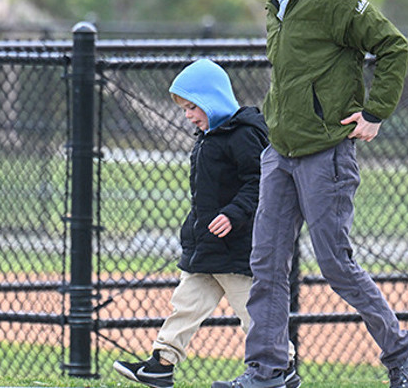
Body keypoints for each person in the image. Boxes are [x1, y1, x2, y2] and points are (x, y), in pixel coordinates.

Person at [213, 0, 408, 388]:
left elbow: (393, 45)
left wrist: (375, 113)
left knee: (335, 264)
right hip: (280, 153)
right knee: (266, 262)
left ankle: (403, 351)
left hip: (325, 154)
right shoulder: (278, 2)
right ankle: (269, 370)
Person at [112, 59, 298, 388]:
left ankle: (283, 366)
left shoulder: (243, 134)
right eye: (184, 109)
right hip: (208, 246)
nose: (188, 116)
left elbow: (260, 182)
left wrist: (233, 214)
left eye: (192, 107)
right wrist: (195, 231)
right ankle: (162, 363)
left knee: (253, 313)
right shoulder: (208, 136)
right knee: (185, 305)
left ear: (212, 100)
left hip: (237, 248)